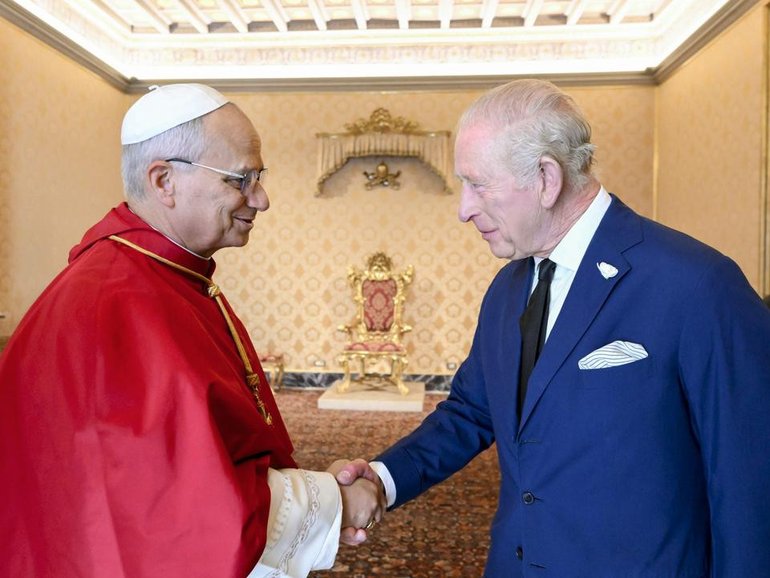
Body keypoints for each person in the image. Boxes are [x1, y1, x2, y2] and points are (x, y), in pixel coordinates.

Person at [338, 79, 770, 577]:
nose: (463, 209)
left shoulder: (696, 285)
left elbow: (750, 484)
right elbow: (471, 412)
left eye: (478, 184)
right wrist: (382, 479)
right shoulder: (507, 288)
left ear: (546, 178)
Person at [0, 84, 384, 578]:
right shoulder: (118, 302)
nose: (261, 199)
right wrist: (334, 501)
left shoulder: (161, 277)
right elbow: (183, 513)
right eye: (242, 178)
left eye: (259, 177)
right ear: (164, 181)